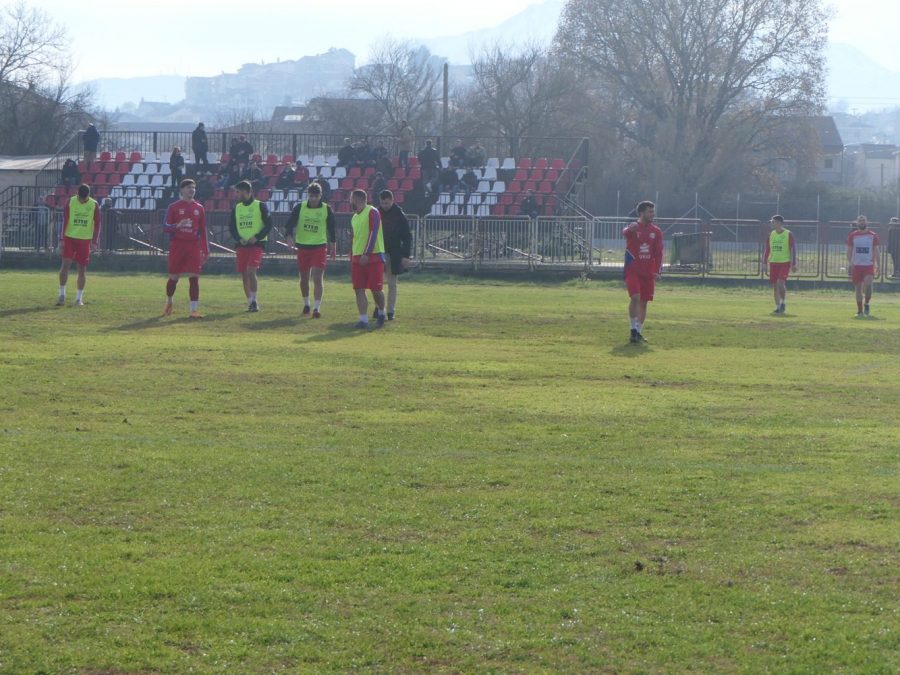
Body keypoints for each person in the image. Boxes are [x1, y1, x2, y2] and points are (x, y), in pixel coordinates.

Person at [284, 182, 336, 318]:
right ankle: (306, 304)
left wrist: (333, 244)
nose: (313, 198)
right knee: (304, 278)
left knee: (317, 277)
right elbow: (289, 224)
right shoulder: (300, 208)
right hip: (303, 246)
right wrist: (289, 237)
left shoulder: (326, 209)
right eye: (311, 195)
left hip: (319, 247)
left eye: (316, 196)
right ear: (308, 195)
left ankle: (317, 308)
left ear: (320, 195)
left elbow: (332, 228)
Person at [162, 179, 208, 318]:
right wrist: (177, 225)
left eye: (193, 188)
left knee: (194, 277)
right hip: (177, 245)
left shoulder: (199, 208)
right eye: (188, 187)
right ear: (181, 190)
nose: (191, 190)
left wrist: (206, 250)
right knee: (174, 277)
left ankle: (194, 310)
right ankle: (169, 301)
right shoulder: (173, 207)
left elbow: (203, 230)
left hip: (193, 245)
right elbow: (165, 227)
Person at [228, 180, 273, 312]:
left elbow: (269, 224)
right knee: (244, 274)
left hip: (257, 245)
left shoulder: (261, 205)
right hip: (242, 245)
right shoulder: (236, 207)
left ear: (247, 192)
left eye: (238, 192)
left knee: (251, 270)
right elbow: (231, 226)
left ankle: (254, 301)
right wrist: (238, 238)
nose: (236, 194)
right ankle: (250, 302)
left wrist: (257, 237)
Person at [623, 200, 664, 343]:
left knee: (644, 302)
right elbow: (625, 233)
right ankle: (632, 329)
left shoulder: (656, 231)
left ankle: (638, 332)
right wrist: (630, 229)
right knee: (635, 297)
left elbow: (658, 253)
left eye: (653, 211)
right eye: (650, 211)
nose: (653, 214)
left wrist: (658, 271)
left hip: (648, 272)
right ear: (641, 213)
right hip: (632, 270)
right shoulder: (634, 227)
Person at [56, 184, 100, 307]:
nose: (82, 200)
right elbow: (65, 220)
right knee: (65, 265)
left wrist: (95, 241)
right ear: (77, 194)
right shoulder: (70, 201)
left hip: (85, 240)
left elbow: (97, 224)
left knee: (82, 269)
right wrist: (61, 239)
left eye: (84, 199)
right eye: (80, 198)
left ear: (89, 195)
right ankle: (62, 295)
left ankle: (79, 298)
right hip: (69, 238)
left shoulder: (94, 204)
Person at [349, 188, 386, 328]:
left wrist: (366, 253)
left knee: (376, 289)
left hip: (373, 256)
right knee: (358, 289)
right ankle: (363, 319)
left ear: (357, 199)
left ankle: (381, 312)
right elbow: (354, 238)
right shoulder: (354, 217)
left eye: (351, 198)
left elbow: (373, 232)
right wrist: (352, 255)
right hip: (357, 258)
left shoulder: (372, 211)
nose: (349, 201)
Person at [378, 190, 412, 320]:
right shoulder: (376, 213)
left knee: (392, 284)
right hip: (379, 252)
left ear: (392, 200)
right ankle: (379, 308)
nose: (385, 205)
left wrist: (406, 255)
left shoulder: (400, 215)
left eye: (387, 203)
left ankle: (390, 311)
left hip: (394, 254)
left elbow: (407, 236)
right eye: (382, 203)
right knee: (378, 284)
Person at [762, 215, 797, 314]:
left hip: (784, 263)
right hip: (773, 263)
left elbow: (793, 249)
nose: (771, 224)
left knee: (781, 283)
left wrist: (793, 263)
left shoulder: (788, 234)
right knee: (775, 286)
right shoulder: (771, 234)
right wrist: (764, 262)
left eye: (773, 222)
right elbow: (767, 249)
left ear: (779, 223)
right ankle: (778, 307)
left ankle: (783, 302)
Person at [846, 215, 880, 317]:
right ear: (857, 223)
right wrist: (850, 262)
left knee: (868, 285)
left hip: (868, 265)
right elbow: (849, 250)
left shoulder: (873, 235)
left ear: (866, 222)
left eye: (863, 221)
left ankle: (867, 303)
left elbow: (876, 250)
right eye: (860, 221)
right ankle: (860, 311)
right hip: (857, 265)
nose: (861, 222)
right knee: (858, 289)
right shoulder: (852, 235)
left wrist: (879, 264)